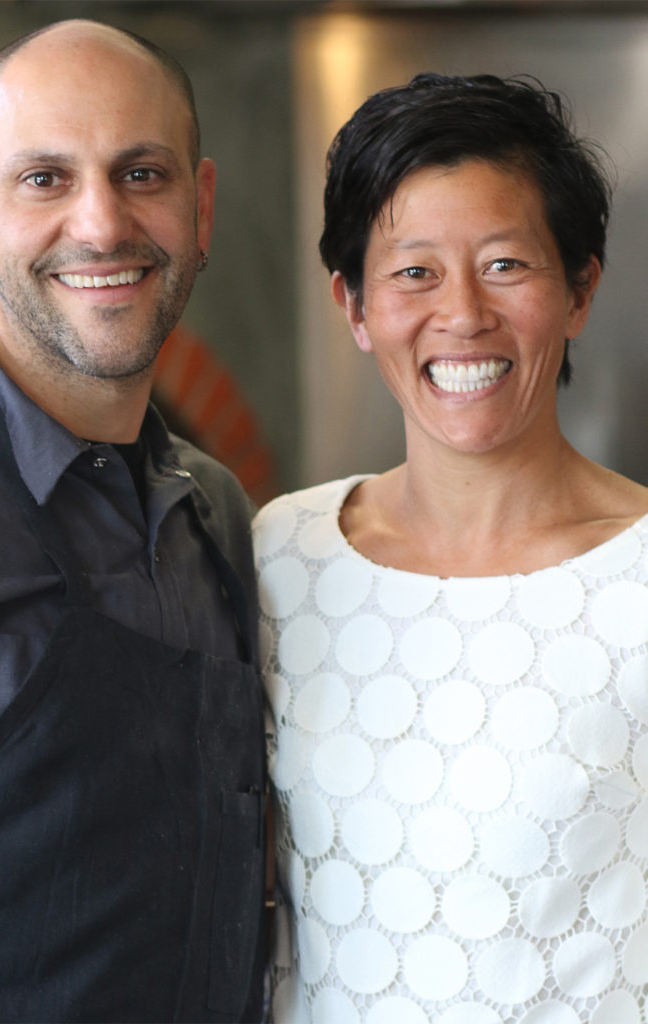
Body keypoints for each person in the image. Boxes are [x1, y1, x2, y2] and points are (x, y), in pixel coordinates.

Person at [255, 73, 648, 1023]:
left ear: (579, 289)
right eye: (413, 272)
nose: (462, 313)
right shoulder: (281, 552)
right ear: (353, 306)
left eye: (507, 264)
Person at [0, 19, 265, 1022]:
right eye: (45, 179)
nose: (101, 225)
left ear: (201, 208)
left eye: (142, 173)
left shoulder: (217, 517)